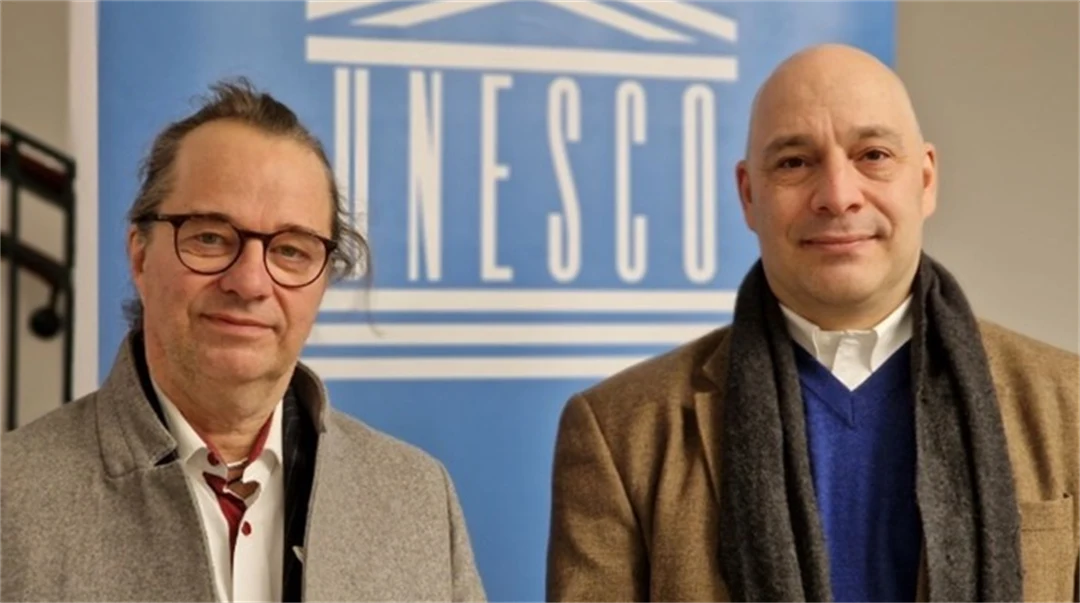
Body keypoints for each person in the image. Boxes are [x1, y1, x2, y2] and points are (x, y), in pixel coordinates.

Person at [546, 44, 1078, 603]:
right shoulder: (619, 434)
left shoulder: (1070, 409)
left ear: (924, 181)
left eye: (872, 155)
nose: (838, 196)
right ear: (750, 195)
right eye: (795, 163)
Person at [1, 79, 487, 602]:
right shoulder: (14, 501)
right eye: (210, 237)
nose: (251, 282)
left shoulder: (416, 498)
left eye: (291, 250)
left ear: (322, 281)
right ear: (140, 257)